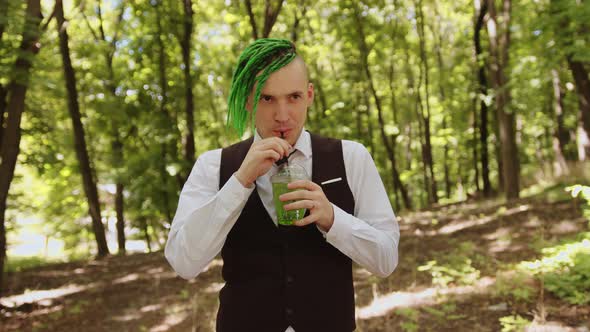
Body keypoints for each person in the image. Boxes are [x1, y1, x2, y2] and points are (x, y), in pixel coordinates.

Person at [165, 38, 400, 332]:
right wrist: (240, 181)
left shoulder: (352, 157)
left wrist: (332, 218)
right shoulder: (213, 166)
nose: (282, 115)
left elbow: (387, 259)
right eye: (267, 99)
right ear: (248, 100)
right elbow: (183, 262)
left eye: (294, 97)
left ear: (310, 95)